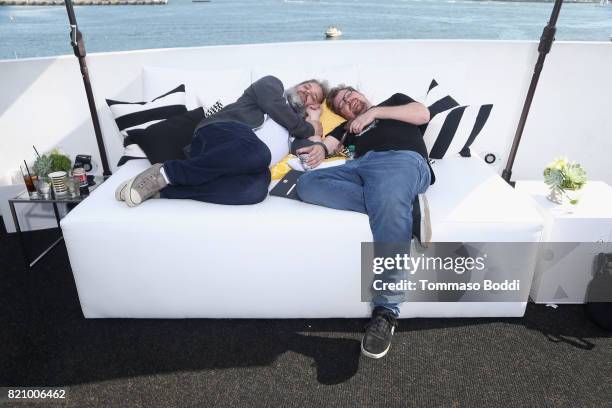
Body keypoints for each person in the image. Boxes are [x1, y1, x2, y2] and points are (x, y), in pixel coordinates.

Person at [295, 85, 435, 359]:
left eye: (350, 94)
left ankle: (386, 310)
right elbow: (328, 144)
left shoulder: (393, 102)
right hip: (359, 167)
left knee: (387, 198)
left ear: (361, 92)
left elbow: (422, 114)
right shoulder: (347, 129)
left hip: (401, 159)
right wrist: (321, 148)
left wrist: (374, 113)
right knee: (308, 184)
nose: (349, 101)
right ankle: (405, 207)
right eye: (342, 104)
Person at [115, 76, 328, 206]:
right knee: (259, 152)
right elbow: (279, 110)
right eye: (307, 86)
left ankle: (161, 189)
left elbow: (309, 150)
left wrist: (316, 127)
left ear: (312, 107)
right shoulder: (273, 86)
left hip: (246, 164)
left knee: (255, 191)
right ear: (298, 84)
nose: (307, 92)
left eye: (314, 97)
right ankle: (166, 172)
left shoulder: (296, 133)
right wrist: (310, 126)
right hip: (219, 133)